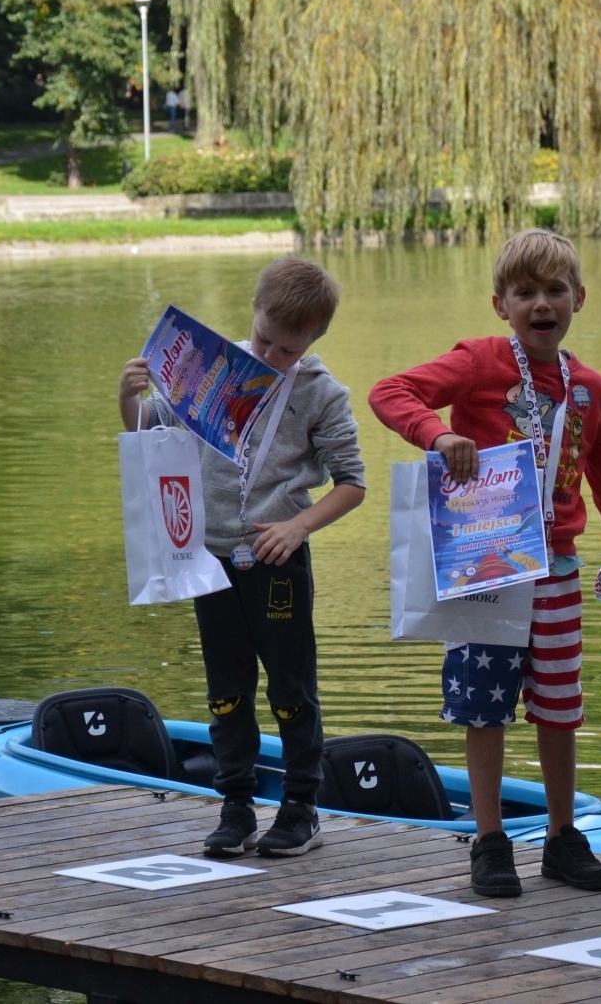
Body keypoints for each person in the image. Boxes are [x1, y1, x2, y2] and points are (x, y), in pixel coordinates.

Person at [370, 228, 601, 897]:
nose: (541, 304)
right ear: (499, 304)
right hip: (484, 570)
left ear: (579, 299)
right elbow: (390, 392)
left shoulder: (589, 389)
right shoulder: (479, 363)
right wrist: (441, 433)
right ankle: (489, 842)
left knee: (560, 706)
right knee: (484, 707)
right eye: (525, 292)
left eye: (555, 291)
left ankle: (563, 839)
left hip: (558, 572)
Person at [118, 258, 366, 857]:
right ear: (251, 315)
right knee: (226, 689)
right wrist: (127, 398)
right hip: (208, 558)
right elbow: (151, 435)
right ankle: (235, 805)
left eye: (287, 349)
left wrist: (299, 526)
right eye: (264, 340)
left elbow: (352, 483)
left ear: (313, 340)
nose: (271, 356)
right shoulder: (209, 370)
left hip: (277, 560)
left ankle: (302, 808)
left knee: (290, 688)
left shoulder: (322, 395)